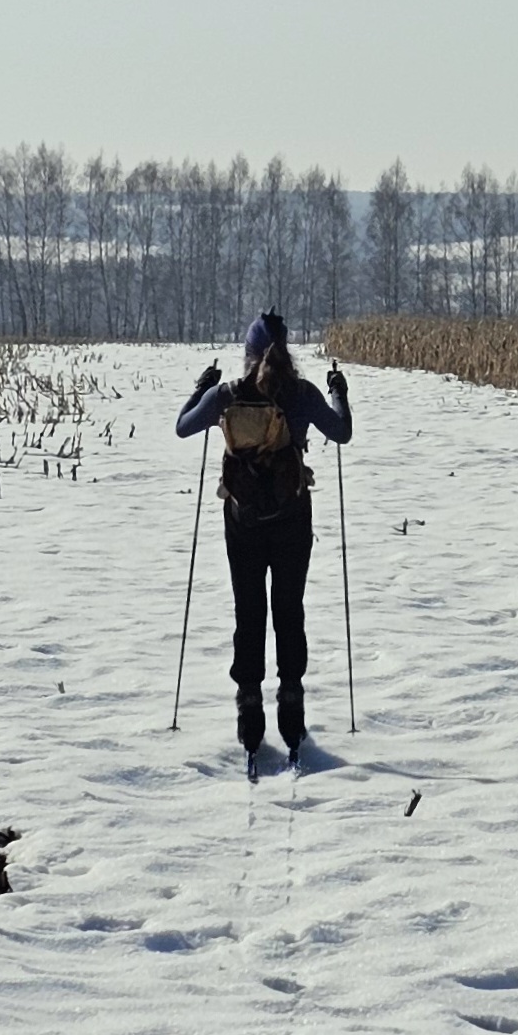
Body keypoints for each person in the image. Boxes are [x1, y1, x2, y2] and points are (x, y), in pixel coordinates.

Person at [174, 311, 353, 759]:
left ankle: (249, 706)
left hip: (243, 520)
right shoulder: (303, 395)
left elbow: (182, 427)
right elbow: (342, 432)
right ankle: (291, 702)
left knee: (248, 608)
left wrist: (202, 387)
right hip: (293, 517)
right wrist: (338, 391)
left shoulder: (226, 395)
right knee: (289, 608)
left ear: (248, 353)